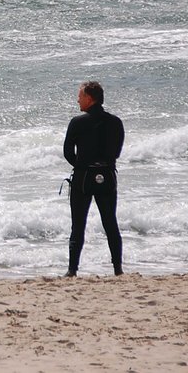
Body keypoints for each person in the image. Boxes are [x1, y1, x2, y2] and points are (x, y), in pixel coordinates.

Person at [62, 81, 125, 277]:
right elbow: (116, 152)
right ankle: (118, 269)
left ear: (90, 98)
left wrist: (81, 166)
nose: (77, 99)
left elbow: (67, 152)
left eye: (80, 96)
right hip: (107, 176)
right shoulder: (115, 122)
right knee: (110, 224)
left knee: (78, 225)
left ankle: (72, 271)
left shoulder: (77, 122)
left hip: (83, 178)